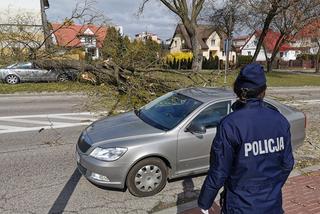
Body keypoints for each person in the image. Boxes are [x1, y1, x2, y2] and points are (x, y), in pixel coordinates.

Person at [198, 63, 294, 214]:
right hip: (272, 204)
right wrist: (271, 188)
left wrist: (205, 202)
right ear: (263, 91)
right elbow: (287, 164)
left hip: (240, 206)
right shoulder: (280, 121)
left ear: (238, 91)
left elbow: (219, 171)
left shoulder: (230, 124)